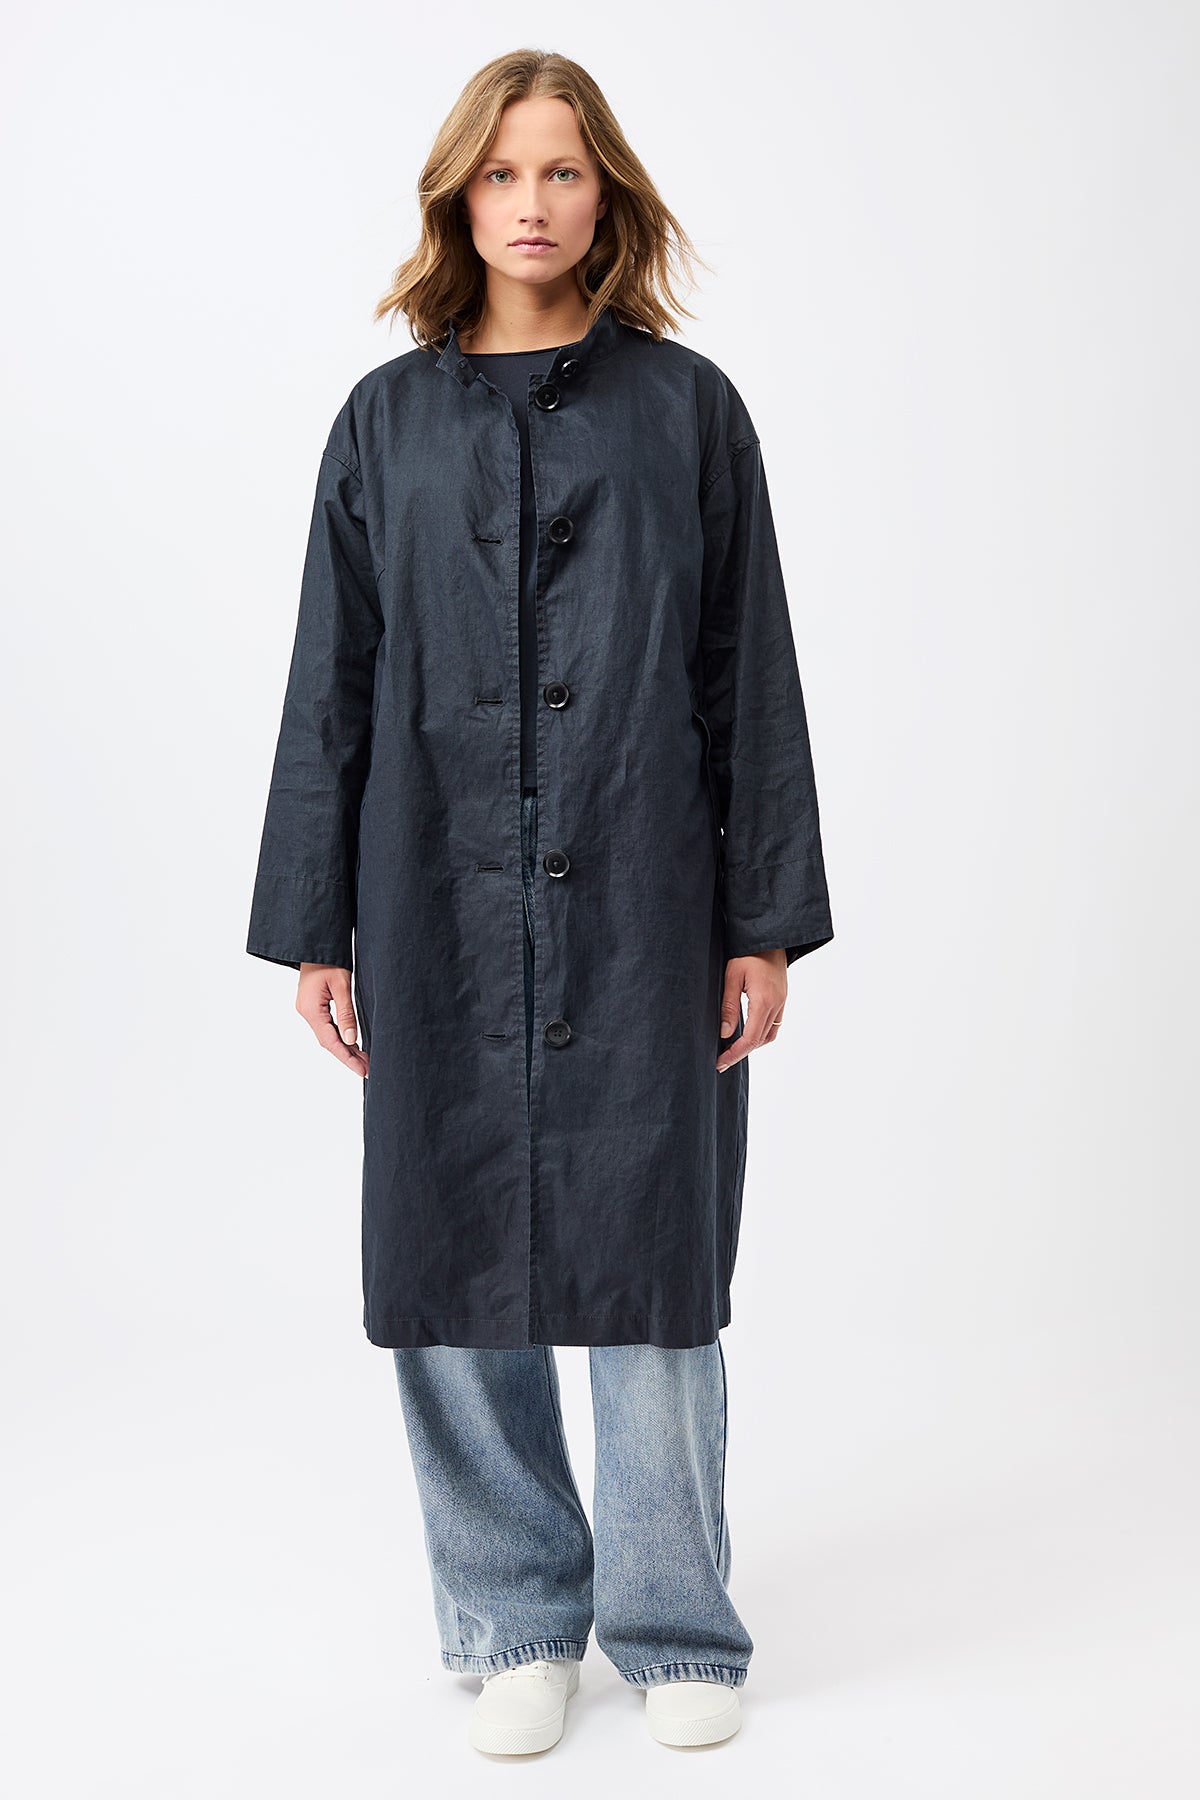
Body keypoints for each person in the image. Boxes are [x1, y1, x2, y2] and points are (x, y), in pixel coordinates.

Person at [247, 48, 834, 1756]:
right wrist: (317, 925)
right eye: (501, 174)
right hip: (432, 894)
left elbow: (748, 667)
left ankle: (675, 1626)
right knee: (448, 1258)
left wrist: (760, 917)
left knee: (653, 1260)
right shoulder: (386, 422)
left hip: (647, 893)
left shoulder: (688, 411)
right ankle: (513, 1616)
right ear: (458, 197)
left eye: (563, 171)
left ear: (607, 194)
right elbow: (330, 684)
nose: (531, 202)